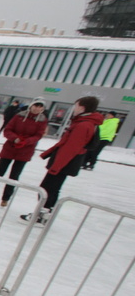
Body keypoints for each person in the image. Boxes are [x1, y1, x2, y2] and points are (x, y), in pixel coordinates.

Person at [21, 96, 104, 224]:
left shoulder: (84, 125)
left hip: (64, 163)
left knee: (46, 189)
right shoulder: (84, 122)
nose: (74, 109)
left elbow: (70, 148)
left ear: (82, 107)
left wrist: (56, 166)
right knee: (52, 189)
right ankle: (45, 214)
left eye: (76, 106)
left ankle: (42, 215)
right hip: (65, 163)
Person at [0, 98, 47, 206]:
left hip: (25, 151)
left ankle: (5, 198)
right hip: (10, 148)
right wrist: (14, 138)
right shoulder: (19, 116)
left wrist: (27, 141)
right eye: (36, 105)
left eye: (40, 107)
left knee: (14, 176)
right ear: (31, 105)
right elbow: (8, 129)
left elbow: (39, 135)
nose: (37, 108)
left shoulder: (42, 120)